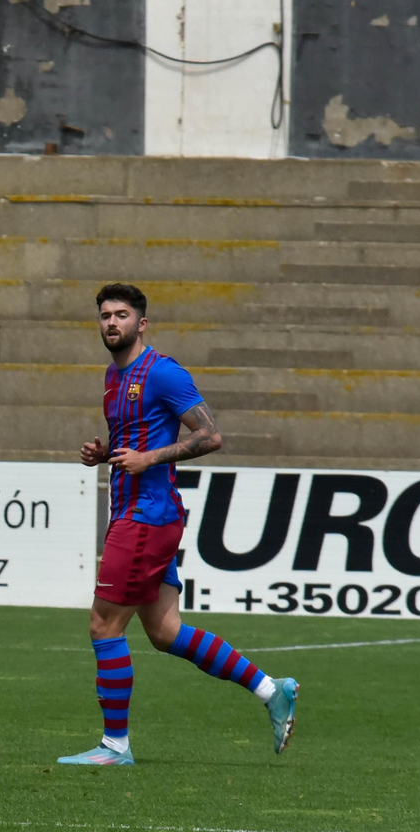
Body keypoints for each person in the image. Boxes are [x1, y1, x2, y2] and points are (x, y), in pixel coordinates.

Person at [58, 283, 298, 766]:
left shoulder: (163, 373)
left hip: (147, 517)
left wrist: (149, 458)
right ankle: (273, 690)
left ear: (141, 323)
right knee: (166, 632)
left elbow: (211, 436)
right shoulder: (111, 377)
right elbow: (134, 440)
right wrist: (105, 454)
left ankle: (114, 747)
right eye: (105, 315)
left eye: (121, 315)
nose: (111, 323)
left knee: (103, 624)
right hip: (136, 512)